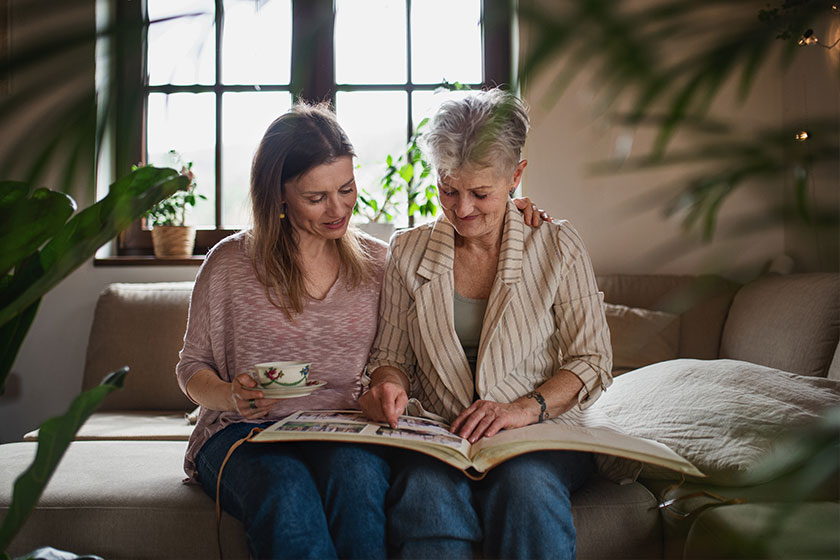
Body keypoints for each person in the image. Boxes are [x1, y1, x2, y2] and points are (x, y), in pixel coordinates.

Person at [175, 101, 550, 559]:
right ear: (278, 194)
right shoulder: (229, 265)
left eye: (347, 189)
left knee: (359, 479)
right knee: (286, 490)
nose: (338, 209)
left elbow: (462, 243)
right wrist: (231, 395)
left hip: (345, 431)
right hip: (244, 433)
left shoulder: (380, 264)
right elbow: (191, 369)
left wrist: (515, 210)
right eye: (316, 198)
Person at [360, 88, 614, 559]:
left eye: (481, 193)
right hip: (441, 433)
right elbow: (389, 358)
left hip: (539, 430)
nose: (462, 210)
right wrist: (388, 385)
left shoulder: (557, 246)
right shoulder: (408, 251)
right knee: (426, 495)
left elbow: (592, 360)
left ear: (516, 175)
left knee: (527, 488)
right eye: (448, 189)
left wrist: (522, 408)